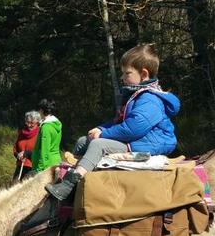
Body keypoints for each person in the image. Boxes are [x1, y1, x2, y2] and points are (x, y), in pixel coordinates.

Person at [45, 44, 180, 201]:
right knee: (84, 141)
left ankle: (70, 185)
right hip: (136, 140)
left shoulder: (150, 99)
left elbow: (133, 129)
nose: (123, 77)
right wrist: (100, 128)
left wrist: (103, 134)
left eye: (127, 73)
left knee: (99, 145)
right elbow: (121, 122)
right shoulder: (136, 96)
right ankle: (74, 172)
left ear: (143, 74)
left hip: (147, 144)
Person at [30, 99, 62, 174]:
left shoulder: (46, 127)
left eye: (39, 110)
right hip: (55, 161)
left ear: (41, 110)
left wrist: (39, 171)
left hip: (46, 166)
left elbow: (45, 151)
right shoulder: (56, 123)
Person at [12, 110, 40, 182]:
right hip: (20, 166)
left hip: (32, 168)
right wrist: (18, 155)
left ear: (37, 123)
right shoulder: (22, 133)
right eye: (27, 122)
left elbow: (40, 152)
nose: (29, 125)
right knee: (13, 187)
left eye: (32, 123)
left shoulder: (40, 134)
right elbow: (15, 148)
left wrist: (27, 154)